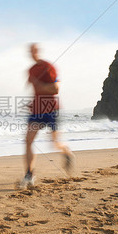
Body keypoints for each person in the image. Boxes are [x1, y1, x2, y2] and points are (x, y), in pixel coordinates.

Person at [21, 43, 74, 188]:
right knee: (28, 140)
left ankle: (66, 152)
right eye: (30, 51)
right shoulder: (31, 70)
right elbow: (36, 91)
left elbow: (55, 89)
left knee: (55, 143)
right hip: (36, 110)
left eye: (34, 50)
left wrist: (38, 84)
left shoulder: (48, 67)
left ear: (38, 51)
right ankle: (29, 174)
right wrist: (31, 103)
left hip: (51, 110)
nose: (32, 53)